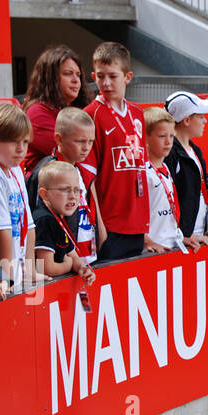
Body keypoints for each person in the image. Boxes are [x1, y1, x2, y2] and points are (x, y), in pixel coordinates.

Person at [81, 42, 148, 262]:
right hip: (110, 226)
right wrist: (100, 229)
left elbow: (141, 170)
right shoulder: (91, 115)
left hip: (137, 224)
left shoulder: (137, 114)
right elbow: (88, 180)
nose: (106, 83)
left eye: (113, 76)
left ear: (127, 76)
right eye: (100, 76)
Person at [26, 107, 100, 263]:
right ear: (59, 139)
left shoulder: (82, 169)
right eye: (80, 141)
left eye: (90, 141)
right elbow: (42, 219)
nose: (86, 147)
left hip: (86, 257)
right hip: (61, 261)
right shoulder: (46, 172)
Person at [144, 108, 208, 254]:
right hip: (152, 251)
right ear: (145, 137)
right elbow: (133, 215)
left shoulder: (166, 168)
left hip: (172, 246)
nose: (168, 142)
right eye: (162, 136)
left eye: (171, 136)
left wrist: (180, 236)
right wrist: (146, 241)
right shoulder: (142, 172)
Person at [164, 90, 208, 243]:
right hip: (181, 241)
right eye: (201, 116)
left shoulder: (195, 150)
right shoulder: (169, 153)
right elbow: (166, 201)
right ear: (186, 120)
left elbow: (203, 194)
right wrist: (182, 236)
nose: (205, 121)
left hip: (199, 234)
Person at [21, 44, 90, 174]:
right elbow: (73, 151)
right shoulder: (37, 113)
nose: (76, 80)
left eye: (78, 75)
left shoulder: (77, 109)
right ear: (50, 78)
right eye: (68, 74)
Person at [33, 160, 97, 284]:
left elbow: (72, 255)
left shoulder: (60, 218)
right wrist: (68, 265)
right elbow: (47, 267)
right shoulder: (45, 220)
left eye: (77, 190)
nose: (73, 196)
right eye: (65, 190)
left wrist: (82, 269)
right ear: (44, 194)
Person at [0, 104, 35, 300]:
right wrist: (6, 277)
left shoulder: (16, 171)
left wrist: (30, 270)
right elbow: (2, 230)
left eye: (25, 141)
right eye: (13, 141)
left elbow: (29, 225)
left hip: (15, 277)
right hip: (6, 280)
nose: (21, 149)